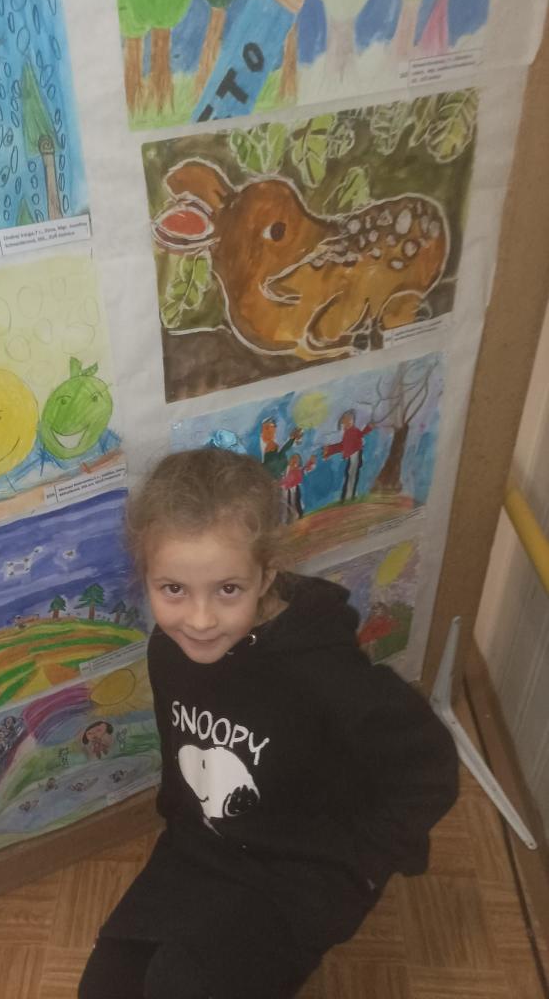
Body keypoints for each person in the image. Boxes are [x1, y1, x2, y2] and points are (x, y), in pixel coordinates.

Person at [78, 449, 458, 999]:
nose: (200, 620)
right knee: (104, 989)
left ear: (266, 575)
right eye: (174, 589)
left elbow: (429, 766)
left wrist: (362, 867)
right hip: (203, 850)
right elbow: (182, 760)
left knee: (180, 986)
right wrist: (180, 835)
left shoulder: (321, 669)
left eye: (227, 589)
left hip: (299, 874)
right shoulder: (168, 648)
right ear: (148, 579)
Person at [322, 409, 374, 503]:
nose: (348, 422)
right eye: (346, 421)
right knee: (350, 474)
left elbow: (361, 434)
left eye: (350, 420)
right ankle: (347, 496)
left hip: (356, 454)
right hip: (351, 456)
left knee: (352, 474)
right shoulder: (347, 433)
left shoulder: (354, 430)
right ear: (343, 423)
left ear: (353, 421)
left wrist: (369, 427)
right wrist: (329, 450)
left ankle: (349, 496)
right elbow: (342, 446)